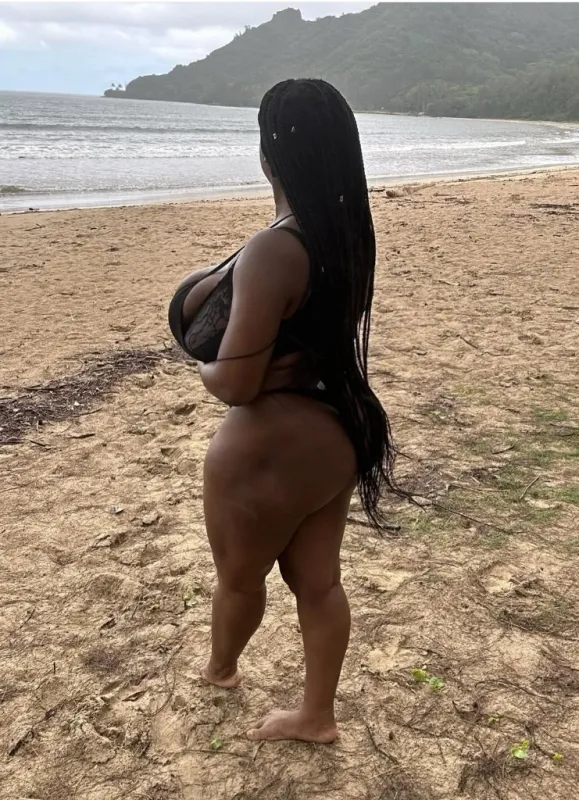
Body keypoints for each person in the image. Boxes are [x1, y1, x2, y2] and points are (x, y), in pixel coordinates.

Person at [168, 78, 399, 743]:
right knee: (319, 583)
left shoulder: (275, 248)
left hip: (269, 441)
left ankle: (220, 672)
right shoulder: (346, 236)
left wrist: (205, 365)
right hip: (335, 430)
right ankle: (316, 715)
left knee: (239, 580)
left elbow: (237, 384)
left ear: (270, 152)